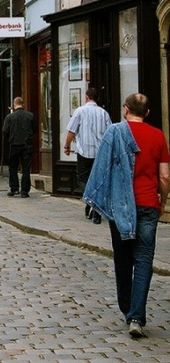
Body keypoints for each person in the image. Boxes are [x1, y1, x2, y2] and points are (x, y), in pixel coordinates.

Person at [83, 93, 170, 339]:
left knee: (122, 258)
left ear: (125, 110)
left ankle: (126, 308)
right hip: (148, 205)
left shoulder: (115, 132)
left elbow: (103, 168)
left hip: (121, 205)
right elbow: (165, 176)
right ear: (148, 113)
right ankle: (136, 316)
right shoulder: (158, 136)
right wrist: (162, 200)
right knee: (143, 260)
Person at [64, 86, 112, 224]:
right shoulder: (103, 113)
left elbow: (72, 130)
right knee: (97, 180)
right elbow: (109, 133)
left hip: (84, 151)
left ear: (86, 97)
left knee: (82, 178)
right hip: (99, 153)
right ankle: (94, 210)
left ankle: (91, 202)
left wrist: (67, 145)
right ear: (97, 98)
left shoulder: (80, 111)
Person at [2, 97, 36, 198]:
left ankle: (14, 188)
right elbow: (35, 130)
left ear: (14, 105)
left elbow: (5, 131)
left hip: (14, 145)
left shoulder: (9, 117)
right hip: (26, 144)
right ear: (23, 104)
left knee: (13, 167)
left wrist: (10, 139)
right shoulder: (30, 116)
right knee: (26, 168)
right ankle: (24, 191)